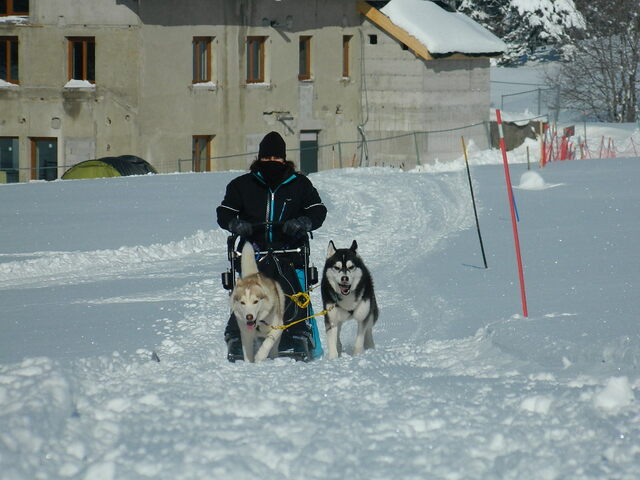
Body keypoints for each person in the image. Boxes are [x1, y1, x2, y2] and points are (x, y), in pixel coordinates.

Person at [217, 131, 327, 360]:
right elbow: (224, 212)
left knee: (289, 287)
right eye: (266, 160)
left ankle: (297, 331)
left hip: (289, 251)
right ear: (259, 159)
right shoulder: (242, 185)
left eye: (276, 160)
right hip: (253, 252)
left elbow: (317, 210)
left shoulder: (299, 184)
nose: (271, 164)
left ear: (284, 160)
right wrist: (236, 224)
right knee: (249, 291)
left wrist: (302, 222)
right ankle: (237, 334)